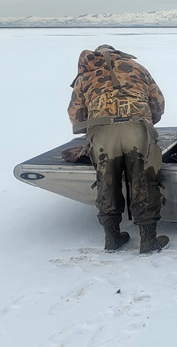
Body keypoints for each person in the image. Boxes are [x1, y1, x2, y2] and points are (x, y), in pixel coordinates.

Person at [68, 44, 170, 254]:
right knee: (145, 180)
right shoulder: (136, 67)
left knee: (106, 181)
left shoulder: (85, 76)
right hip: (137, 128)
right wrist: (147, 120)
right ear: (117, 53)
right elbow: (157, 104)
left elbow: (76, 116)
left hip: (103, 133)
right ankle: (148, 240)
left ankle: (112, 237)